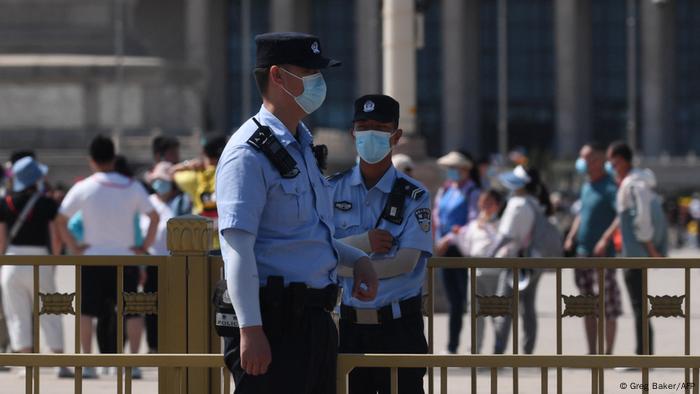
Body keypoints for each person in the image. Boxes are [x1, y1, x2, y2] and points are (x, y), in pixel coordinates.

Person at [216, 32, 378, 394]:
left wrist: (354, 259)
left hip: (313, 322)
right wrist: (250, 329)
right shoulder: (248, 152)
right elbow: (238, 248)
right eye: (308, 71)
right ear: (277, 76)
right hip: (274, 323)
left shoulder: (300, 145)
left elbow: (305, 235)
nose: (318, 81)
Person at [330, 94, 432, 393]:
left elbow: (406, 262)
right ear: (352, 132)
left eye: (379, 126)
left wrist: (347, 262)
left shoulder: (414, 194)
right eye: (363, 126)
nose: (369, 133)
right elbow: (320, 253)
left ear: (396, 135)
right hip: (348, 329)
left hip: (399, 327)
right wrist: (363, 243)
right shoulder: (331, 190)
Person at [55, 135, 159, 379]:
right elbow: (153, 217)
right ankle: (132, 364)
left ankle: (89, 363)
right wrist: (143, 246)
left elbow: (61, 220)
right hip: (126, 258)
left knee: (87, 312)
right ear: (113, 157)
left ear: (91, 160)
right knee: (132, 311)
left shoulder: (84, 187)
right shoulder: (131, 186)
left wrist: (75, 248)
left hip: (92, 258)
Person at [0, 157, 73, 378]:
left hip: (12, 262)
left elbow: (1, 239)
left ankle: (26, 364)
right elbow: (55, 236)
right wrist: (55, 259)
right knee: (51, 310)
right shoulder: (46, 203)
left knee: (17, 314)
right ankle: (59, 362)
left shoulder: (6, 202)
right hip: (40, 259)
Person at [597, 141, 668, 355]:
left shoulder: (633, 184)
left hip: (635, 255)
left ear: (623, 160)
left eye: (613, 160)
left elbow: (641, 218)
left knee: (638, 306)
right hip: (633, 252)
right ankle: (644, 353)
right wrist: (606, 237)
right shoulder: (632, 182)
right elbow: (624, 217)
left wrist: (651, 249)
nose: (610, 165)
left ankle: (643, 355)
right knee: (639, 305)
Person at [564, 143, 622, 354]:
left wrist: (605, 239)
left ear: (599, 161)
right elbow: (582, 213)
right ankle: (592, 353)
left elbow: (620, 215)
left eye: (587, 158)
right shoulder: (587, 185)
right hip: (583, 254)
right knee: (587, 306)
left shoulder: (610, 186)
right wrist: (571, 235)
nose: (583, 163)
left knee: (607, 307)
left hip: (603, 257)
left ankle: (607, 354)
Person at [493, 165, 552, 354]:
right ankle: (528, 351)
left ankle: (498, 352)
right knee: (528, 308)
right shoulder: (535, 202)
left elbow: (506, 235)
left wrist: (490, 254)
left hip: (515, 261)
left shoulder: (517, 204)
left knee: (504, 307)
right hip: (534, 261)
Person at [433, 150, 481, 354]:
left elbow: (473, 221)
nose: (451, 172)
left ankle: (474, 344)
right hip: (445, 252)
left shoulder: (473, 192)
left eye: (454, 168)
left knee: (466, 299)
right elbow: (436, 216)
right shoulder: (445, 190)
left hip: (462, 250)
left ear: (465, 169)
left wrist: (449, 238)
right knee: (453, 300)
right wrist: (438, 240)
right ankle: (452, 345)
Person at [454, 189, 504, 354]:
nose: (485, 207)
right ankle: (474, 351)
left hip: (495, 275)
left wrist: (488, 228)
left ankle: (498, 351)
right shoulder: (474, 225)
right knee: (475, 314)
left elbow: (500, 243)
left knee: (498, 315)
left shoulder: (501, 224)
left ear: (497, 206)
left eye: (489, 203)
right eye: (483, 203)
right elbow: (466, 247)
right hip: (475, 274)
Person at [171, 135, 227, 251]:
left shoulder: (195, 177)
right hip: (228, 242)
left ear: (204, 154)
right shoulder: (232, 175)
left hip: (203, 242)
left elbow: (171, 172)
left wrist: (188, 164)